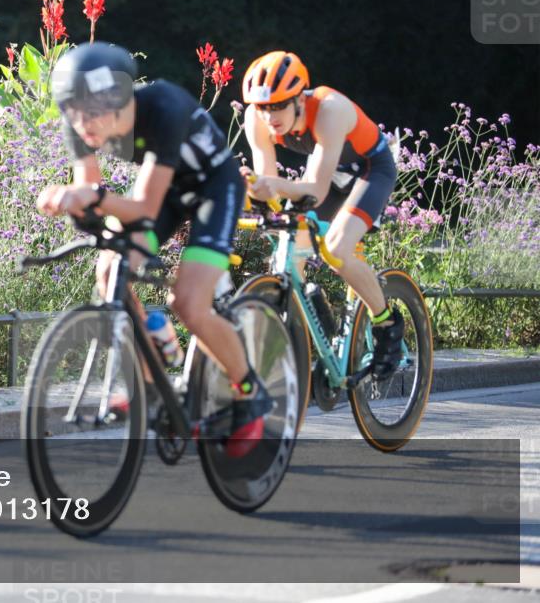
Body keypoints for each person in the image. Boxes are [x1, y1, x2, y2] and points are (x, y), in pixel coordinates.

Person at [36, 42, 272, 457]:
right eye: (71, 112)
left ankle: (250, 391)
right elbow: (95, 191)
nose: (80, 124)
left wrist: (85, 197)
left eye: (89, 112)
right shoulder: (81, 122)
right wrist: (77, 205)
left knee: (190, 303)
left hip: (213, 188)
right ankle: (150, 369)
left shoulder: (163, 107)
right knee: (110, 270)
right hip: (166, 194)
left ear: (119, 100)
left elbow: (137, 205)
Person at [240, 50, 404, 377]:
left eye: (278, 106)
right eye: (262, 108)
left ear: (299, 99)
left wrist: (270, 185)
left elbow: (315, 190)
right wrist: (254, 192)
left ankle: (387, 325)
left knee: (337, 248)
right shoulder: (255, 120)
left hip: (369, 171)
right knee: (286, 251)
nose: (270, 116)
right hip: (326, 175)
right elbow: (269, 187)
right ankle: (308, 334)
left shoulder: (330, 110)